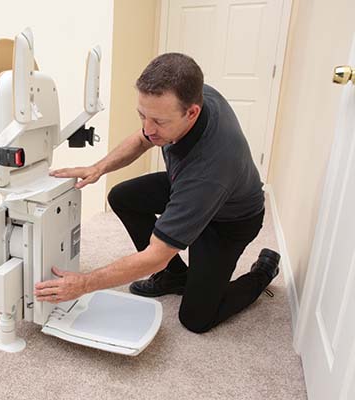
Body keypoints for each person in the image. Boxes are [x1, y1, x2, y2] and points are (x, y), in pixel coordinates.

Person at [34, 52, 281, 333]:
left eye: (159, 122)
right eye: (142, 115)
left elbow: (157, 254)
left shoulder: (208, 171)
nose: (148, 130)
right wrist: (98, 167)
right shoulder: (193, 95)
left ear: (192, 112)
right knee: (122, 196)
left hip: (229, 221)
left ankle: (262, 273)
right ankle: (175, 276)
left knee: (197, 318)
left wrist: (84, 284)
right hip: (188, 186)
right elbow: (142, 140)